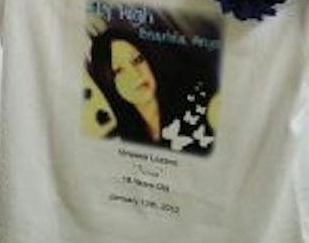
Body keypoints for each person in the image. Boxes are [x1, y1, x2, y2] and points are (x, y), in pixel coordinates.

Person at [83, 22, 215, 155]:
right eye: (118, 70)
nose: (136, 74)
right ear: (108, 82)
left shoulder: (197, 100)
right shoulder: (122, 138)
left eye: (137, 60)